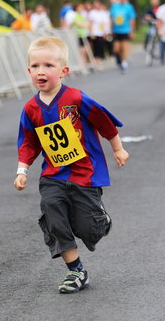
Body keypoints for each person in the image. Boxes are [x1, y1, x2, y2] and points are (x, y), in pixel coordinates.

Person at [14, 36, 129, 293]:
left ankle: (100, 220)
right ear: (29, 71)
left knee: (89, 230)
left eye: (48, 65)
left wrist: (118, 148)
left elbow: (103, 122)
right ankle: (76, 271)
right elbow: (29, 142)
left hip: (83, 174)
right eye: (35, 66)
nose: (41, 71)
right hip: (53, 175)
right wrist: (22, 171)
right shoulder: (31, 108)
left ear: (64, 71)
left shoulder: (76, 98)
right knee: (52, 211)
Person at [110, 0, 136, 73]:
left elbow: (132, 19)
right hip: (116, 30)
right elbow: (111, 18)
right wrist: (110, 29)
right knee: (117, 49)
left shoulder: (129, 6)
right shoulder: (114, 6)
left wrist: (132, 31)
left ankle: (124, 62)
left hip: (125, 30)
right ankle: (121, 59)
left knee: (124, 47)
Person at [88, 0, 111, 70]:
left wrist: (106, 32)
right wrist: (91, 32)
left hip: (101, 33)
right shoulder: (92, 13)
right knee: (95, 48)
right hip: (95, 33)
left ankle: (99, 62)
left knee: (101, 48)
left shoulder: (103, 13)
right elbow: (90, 23)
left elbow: (105, 24)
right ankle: (95, 63)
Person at [143, 0, 165, 64]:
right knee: (148, 34)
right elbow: (146, 16)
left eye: (156, 1)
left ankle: (162, 57)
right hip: (152, 26)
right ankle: (147, 47)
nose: (155, 2)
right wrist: (148, 18)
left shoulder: (161, 8)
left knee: (162, 40)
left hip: (160, 27)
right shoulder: (149, 9)